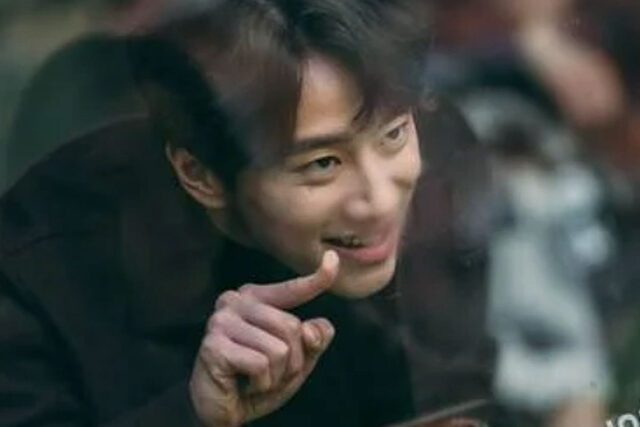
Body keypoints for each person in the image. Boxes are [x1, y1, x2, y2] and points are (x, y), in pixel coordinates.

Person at [0, 1, 502, 425]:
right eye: (322, 163)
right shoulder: (40, 277)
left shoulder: (442, 179)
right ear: (200, 175)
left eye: (393, 133)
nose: (381, 199)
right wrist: (195, 414)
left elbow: (456, 388)